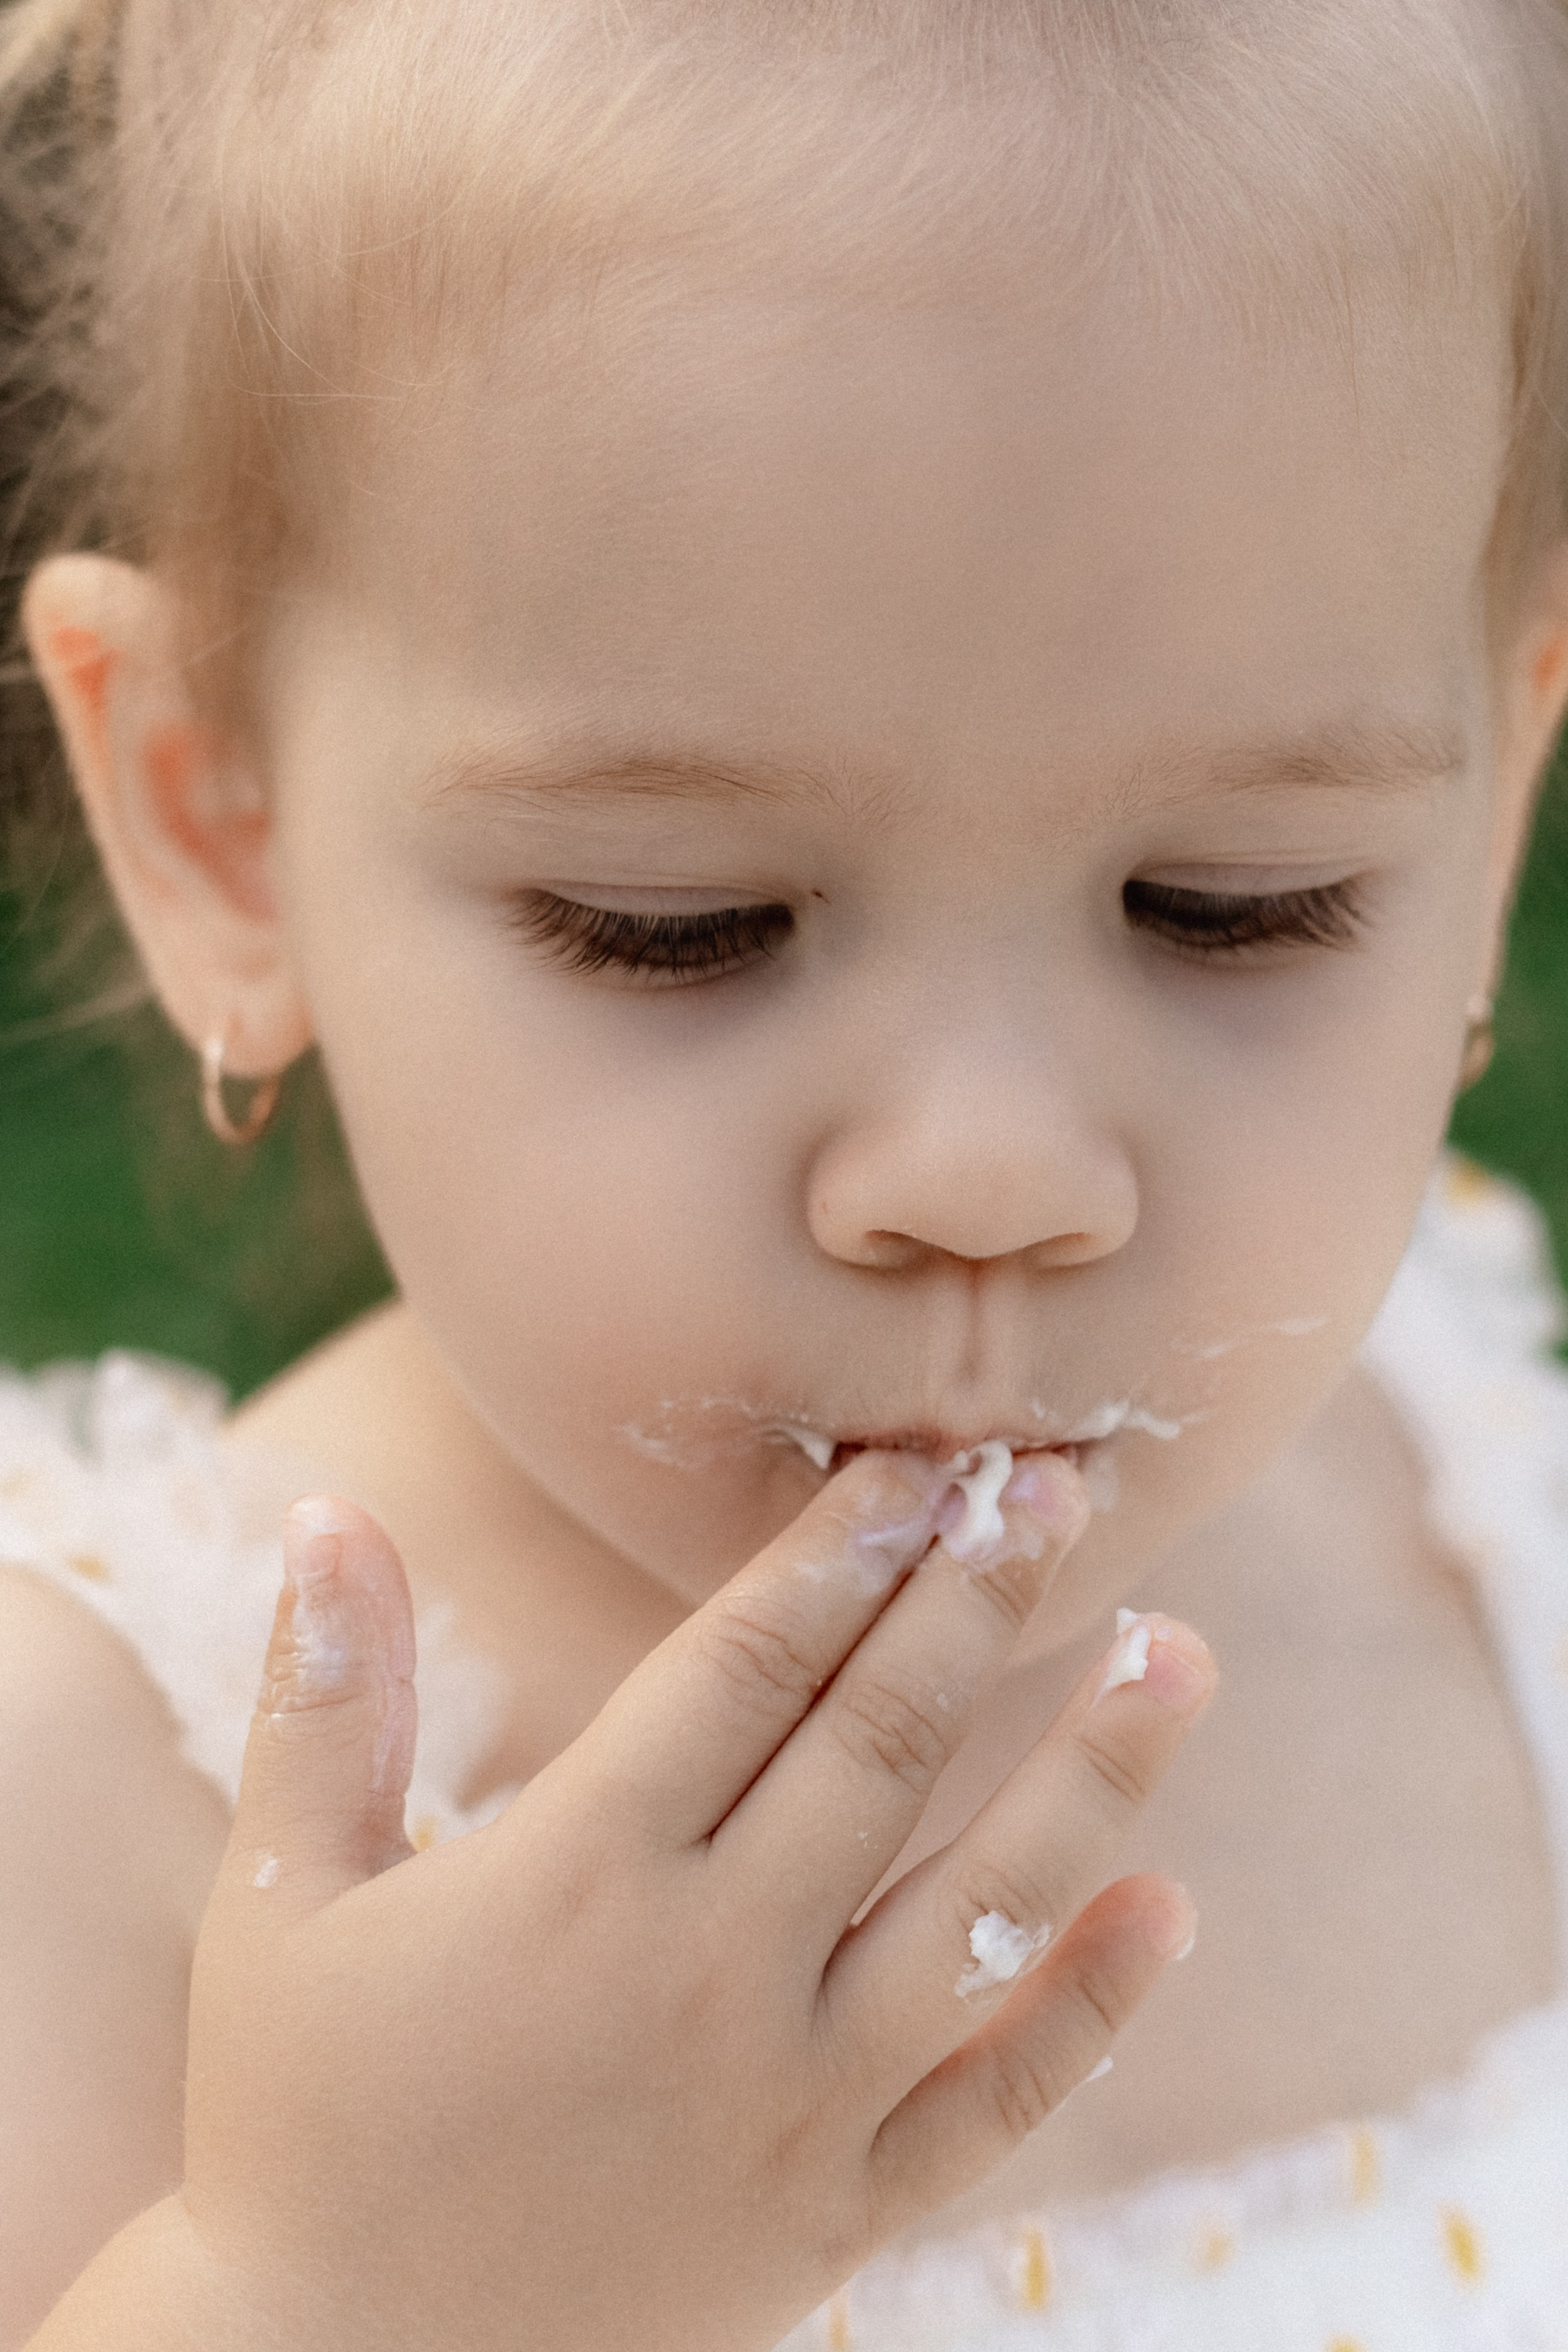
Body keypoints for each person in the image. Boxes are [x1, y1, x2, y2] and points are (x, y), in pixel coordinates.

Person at [3, 0, 1568, 2343]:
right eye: (678, 924)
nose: (992, 1175)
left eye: (1236, 902)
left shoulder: (1483, 1523)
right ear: (218, 818)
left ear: (1491, 823)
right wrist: (340, 2291)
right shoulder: (94, 1831)